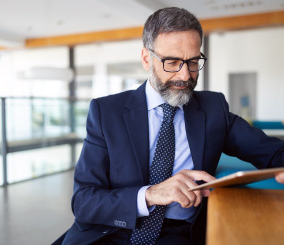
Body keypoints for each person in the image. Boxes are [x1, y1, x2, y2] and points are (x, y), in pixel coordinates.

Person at [60, 7, 284, 245]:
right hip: (110, 231)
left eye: (193, 62)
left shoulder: (213, 109)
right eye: (173, 62)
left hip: (178, 234)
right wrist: (151, 194)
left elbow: (272, 152)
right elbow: (84, 201)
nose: (185, 75)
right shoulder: (107, 113)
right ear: (147, 58)